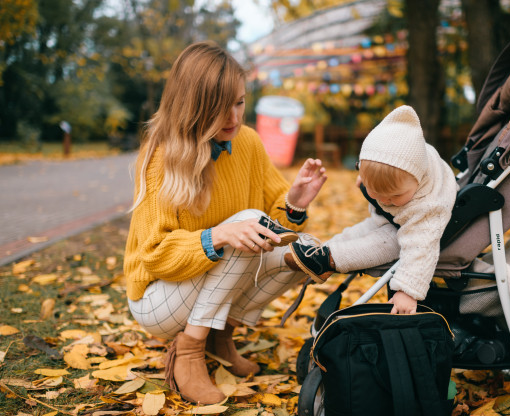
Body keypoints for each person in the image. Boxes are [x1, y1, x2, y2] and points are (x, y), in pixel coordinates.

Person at [123, 41, 327, 405]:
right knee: (245, 226)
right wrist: (216, 236)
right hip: (158, 297)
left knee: (303, 250)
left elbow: (274, 225)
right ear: (194, 106)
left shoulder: (247, 142)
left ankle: (221, 337)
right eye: (221, 107)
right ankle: (188, 352)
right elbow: (153, 254)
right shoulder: (161, 157)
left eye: (239, 102)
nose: (234, 118)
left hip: (208, 286)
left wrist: (294, 203)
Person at [285, 105, 456, 315]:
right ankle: (320, 253)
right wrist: (370, 181)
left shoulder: (427, 207)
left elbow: (421, 248)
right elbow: (379, 166)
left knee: (387, 241)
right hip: (391, 218)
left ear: (418, 180)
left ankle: (330, 258)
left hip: (420, 229)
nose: (385, 200)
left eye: (394, 196)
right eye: (375, 191)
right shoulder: (399, 172)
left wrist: (408, 291)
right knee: (361, 230)